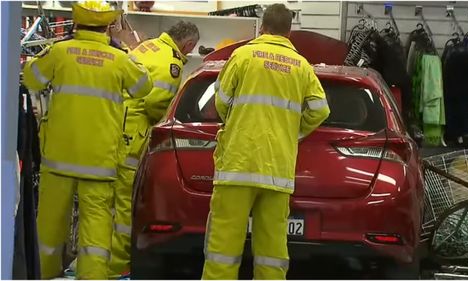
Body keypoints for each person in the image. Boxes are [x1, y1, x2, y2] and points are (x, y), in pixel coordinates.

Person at [22, 1, 153, 279]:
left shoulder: (59, 52)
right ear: (108, 27)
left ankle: (41, 275)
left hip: (59, 161)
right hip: (100, 163)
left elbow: (31, 78)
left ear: (76, 24)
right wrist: (123, 47)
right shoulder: (119, 58)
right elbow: (144, 87)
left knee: (48, 230)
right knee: (96, 234)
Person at [202, 3, 330, 280]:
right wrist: (293, 132)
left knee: (223, 245)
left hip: (237, 165)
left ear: (262, 27)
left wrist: (236, 122)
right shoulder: (302, 66)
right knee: (272, 249)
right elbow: (320, 109)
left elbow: (221, 101)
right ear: (289, 31)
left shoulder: (244, 55)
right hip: (277, 170)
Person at [108, 21, 200, 278]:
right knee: (126, 203)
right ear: (189, 45)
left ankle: (104, 260)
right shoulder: (172, 64)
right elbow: (155, 107)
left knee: (110, 200)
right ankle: (118, 266)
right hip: (133, 133)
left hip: (114, 127)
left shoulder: (147, 46)